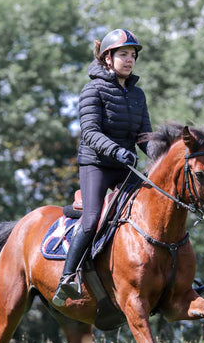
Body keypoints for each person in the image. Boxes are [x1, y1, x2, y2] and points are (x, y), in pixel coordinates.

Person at [52, 28, 152, 306]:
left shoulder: (138, 95)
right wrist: (118, 151)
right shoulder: (92, 90)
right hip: (97, 165)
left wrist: (160, 154)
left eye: (132, 55)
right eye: (123, 54)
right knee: (93, 218)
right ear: (108, 58)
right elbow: (90, 133)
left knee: (153, 212)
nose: (129, 60)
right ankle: (68, 277)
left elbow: (144, 135)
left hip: (125, 165)